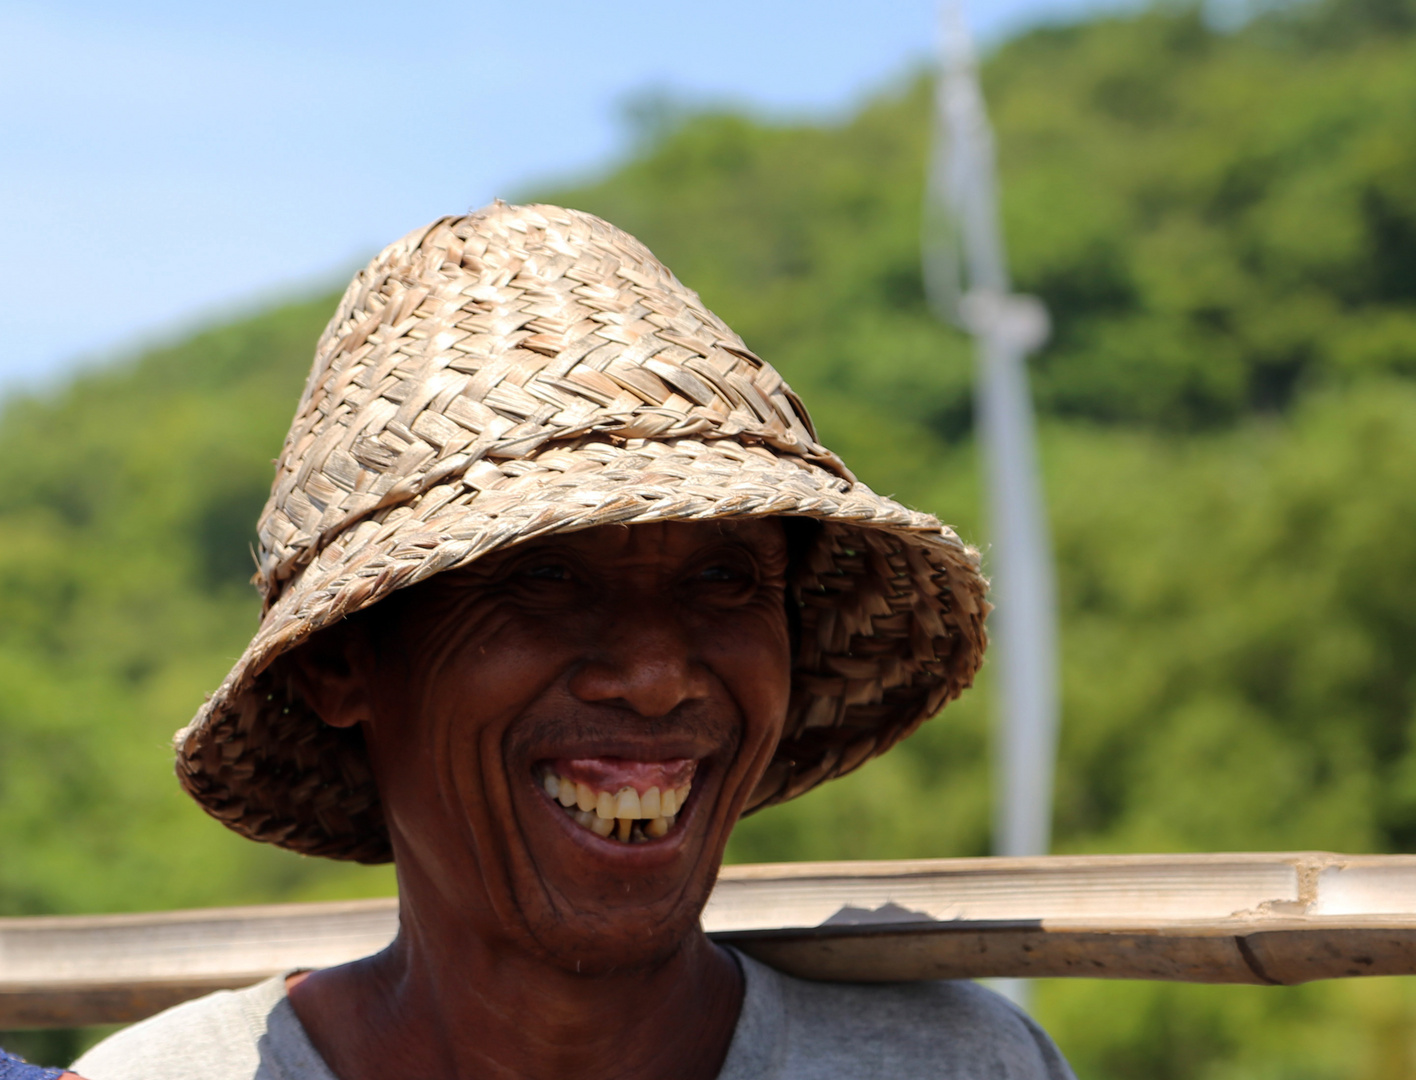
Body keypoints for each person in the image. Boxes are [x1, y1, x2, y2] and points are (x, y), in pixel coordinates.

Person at [73, 202, 1073, 1079]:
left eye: (725, 581)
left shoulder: (956, 1065)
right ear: (343, 661)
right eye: (544, 578)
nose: (654, 677)